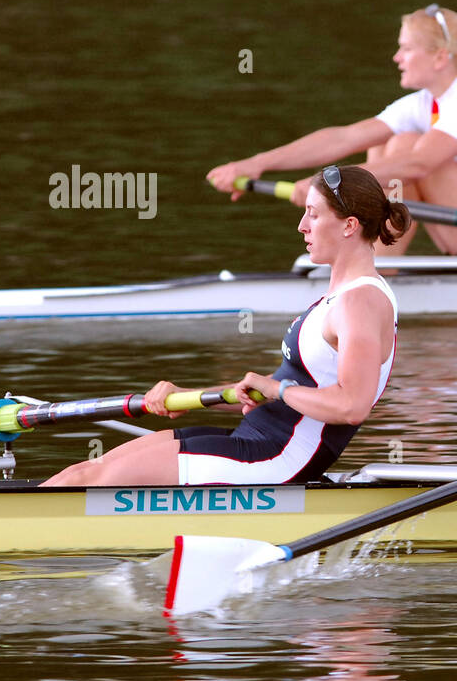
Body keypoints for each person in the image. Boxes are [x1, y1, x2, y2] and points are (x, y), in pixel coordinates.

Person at [44, 166, 406, 487]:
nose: (302, 226)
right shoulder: (339, 296)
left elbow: (351, 405)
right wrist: (193, 394)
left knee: (88, 480)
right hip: (255, 440)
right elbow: (291, 390)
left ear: (349, 225)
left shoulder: (362, 301)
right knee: (84, 471)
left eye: (313, 214)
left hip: (275, 461)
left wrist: (277, 390)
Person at [207, 5, 457, 257]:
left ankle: (374, 272)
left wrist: (326, 183)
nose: (397, 57)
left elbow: (418, 166)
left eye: (406, 48)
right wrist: (256, 163)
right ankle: (372, 268)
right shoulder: (425, 103)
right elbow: (344, 137)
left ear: (440, 57)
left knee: (409, 154)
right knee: (390, 144)